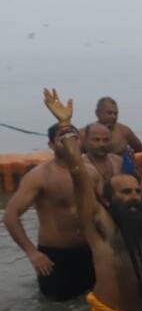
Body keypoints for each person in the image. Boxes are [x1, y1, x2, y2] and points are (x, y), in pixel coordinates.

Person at [42, 89, 142, 311]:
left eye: (136, 191)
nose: (134, 196)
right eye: (125, 192)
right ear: (107, 202)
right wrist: (65, 125)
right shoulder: (101, 230)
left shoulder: (141, 222)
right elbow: (78, 174)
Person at [3, 124, 102, 301]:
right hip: (55, 257)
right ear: (51, 145)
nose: (68, 143)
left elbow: (105, 210)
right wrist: (32, 253)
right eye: (61, 139)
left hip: (89, 251)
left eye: (73, 138)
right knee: (55, 310)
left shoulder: (91, 173)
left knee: (93, 304)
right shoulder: (39, 176)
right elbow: (10, 215)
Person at [79, 97, 142, 175]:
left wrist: (131, 160)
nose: (113, 116)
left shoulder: (124, 131)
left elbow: (139, 148)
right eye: (109, 113)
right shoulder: (84, 133)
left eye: (115, 114)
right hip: (92, 173)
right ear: (97, 113)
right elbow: (74, 157)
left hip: (119, 174)